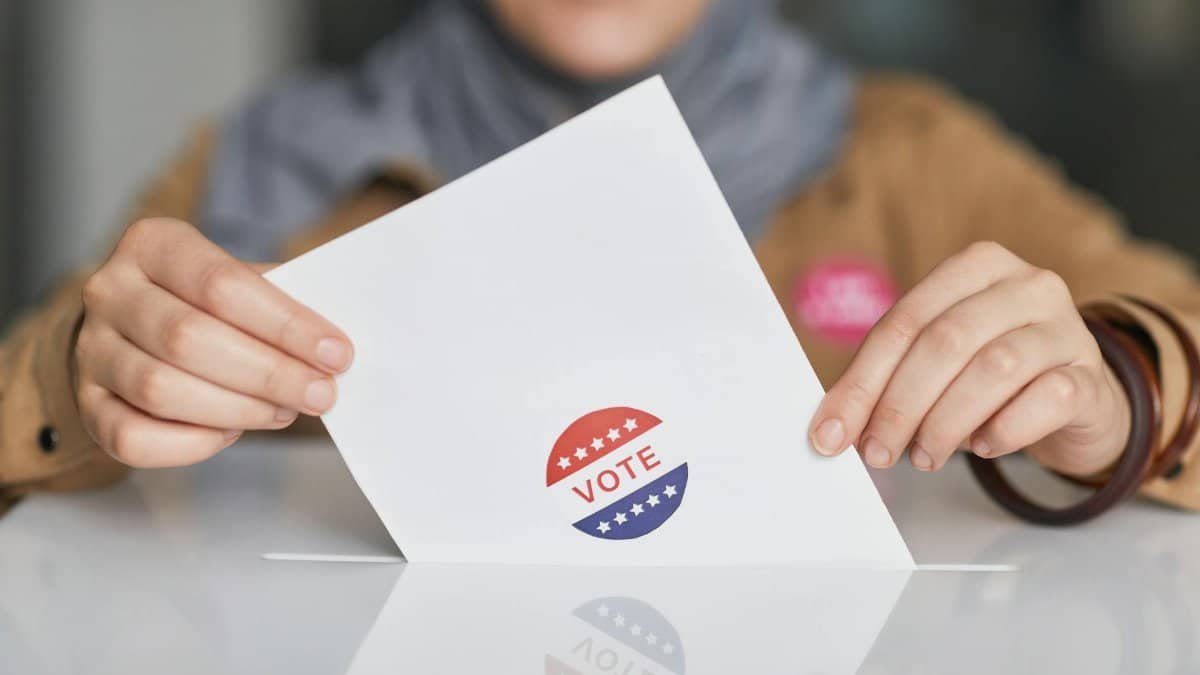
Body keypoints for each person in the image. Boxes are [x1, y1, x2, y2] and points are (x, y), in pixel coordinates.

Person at [1, 0, 1197, 519]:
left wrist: (1122, 390)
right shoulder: (271, 169)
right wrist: (82, 375)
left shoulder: (910, 158)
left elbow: (1167, 326)